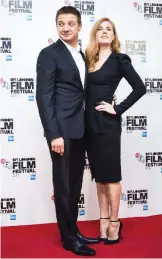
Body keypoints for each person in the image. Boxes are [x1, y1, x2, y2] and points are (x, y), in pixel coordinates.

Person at [36, 6, 102, 256]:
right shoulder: (49, 54)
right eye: (61, 23)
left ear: (79, 26)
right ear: (56, 26)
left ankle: (73, 230)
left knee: (74, 184)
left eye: (70, 23)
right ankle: (68, 239)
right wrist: (53, 134)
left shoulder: (82, 55)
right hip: (61, 131)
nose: (65, 28)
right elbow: (44, 97)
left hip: (80, 129)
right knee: (63, 186)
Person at [85, 17, 146, 245]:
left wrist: (117, 108)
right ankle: (102, 222)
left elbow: (140, 87)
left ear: (113, 36)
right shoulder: (87, 60)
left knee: (111, 177)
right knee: (100, 178)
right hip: (88, 124)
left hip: (107, 124)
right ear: (95, 33)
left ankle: (114, 223)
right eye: (100, 28)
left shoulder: (120, 59)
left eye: (108, 29)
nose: (104, 32)